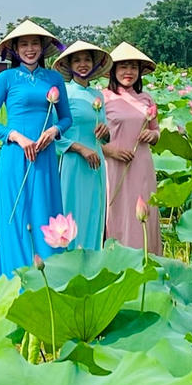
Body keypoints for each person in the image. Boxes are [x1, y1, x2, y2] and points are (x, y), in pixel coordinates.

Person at [0, 20, 72, 278]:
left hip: (44, 159)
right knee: (16, 218)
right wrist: (16, 136)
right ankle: (14, 281)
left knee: (45, 214)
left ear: (43, 47)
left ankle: (49, 281)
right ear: (15, 49)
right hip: (15, 157)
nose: (30, 49)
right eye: (24, 44)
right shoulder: (6, 78)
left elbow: (66, 118)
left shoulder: (54, 79)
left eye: (35, 44)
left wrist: (54, 131)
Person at [101, 42, 161, 255]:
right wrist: (110, 151)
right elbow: (92, 136)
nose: (128, 72)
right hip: (114, 165)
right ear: (113, 71)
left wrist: (153, 135)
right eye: (123, 66)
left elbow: (157, 131)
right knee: (117, 212)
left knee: (144, 212)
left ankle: (147, 259)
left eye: (133, 67)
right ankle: (118, 260)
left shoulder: (146, 99)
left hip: (141, 165)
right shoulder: (103, 98)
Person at [53, 41, 113, 251]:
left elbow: (104, 135)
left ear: (94, 64)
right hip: (74, 162)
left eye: (87, 59)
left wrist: (106, 134)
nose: (83, 64)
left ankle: (92, 262)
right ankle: (69, 262)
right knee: (73, 212)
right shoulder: (63, 92)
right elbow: (54, 133)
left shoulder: (98, 95)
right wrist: (80, 148)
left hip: (96, 164)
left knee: (94, 212)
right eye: (77, 60)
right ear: (68, 65)